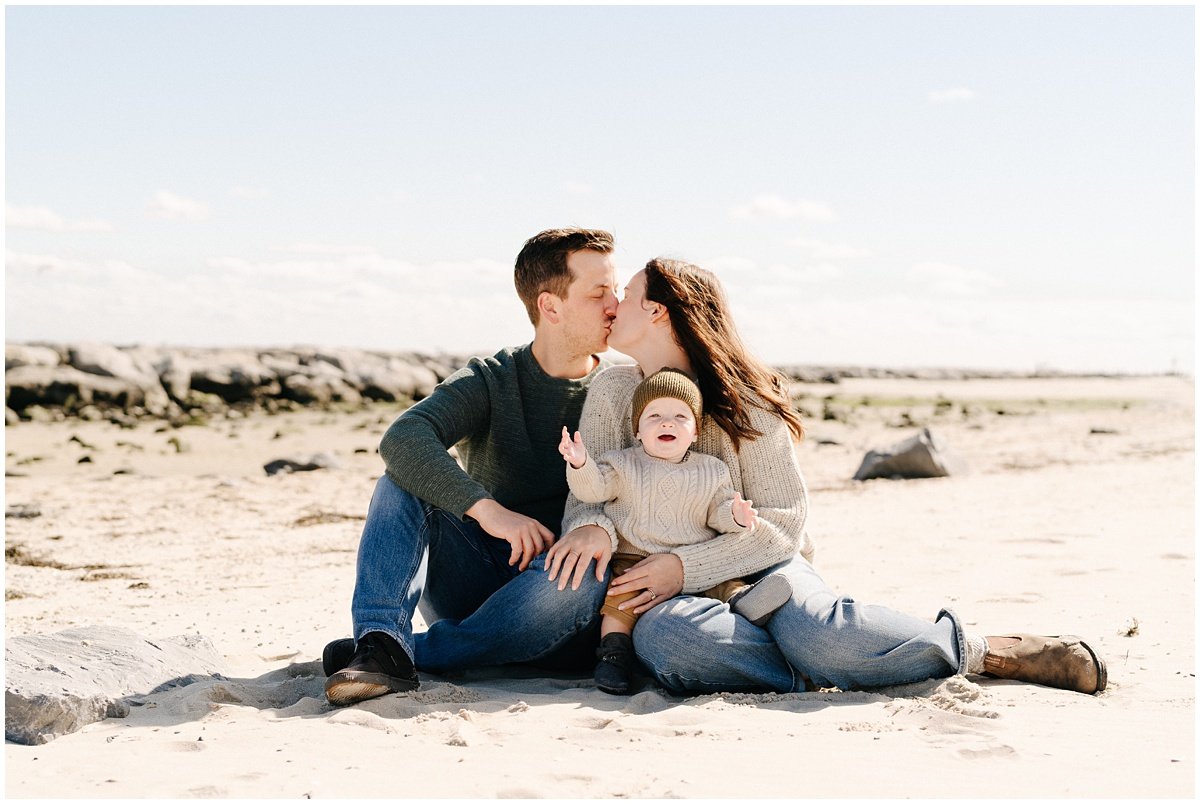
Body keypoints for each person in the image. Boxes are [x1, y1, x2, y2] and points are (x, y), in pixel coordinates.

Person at [545, 257, 1107, 697]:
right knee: (670, 641)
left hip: (759, 567)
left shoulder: (748, 404)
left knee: (819, 633)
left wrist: (685, 566)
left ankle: (988, 650)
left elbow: (783, 527)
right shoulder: (613, 390)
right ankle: (815, 670)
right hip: (660, 586)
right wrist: (599, 529)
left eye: (630, 294)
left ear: (661, 312)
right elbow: (590, 490)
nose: (615, 303)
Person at [321, 227, 622, 706]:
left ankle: (413, 652)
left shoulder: (626, 389)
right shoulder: (492, 378)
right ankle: (380, 641)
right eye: (599, 292)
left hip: (560, 597)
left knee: (585, 572)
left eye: (616, 291)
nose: (615, 305)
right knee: (400, 482)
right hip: (475, 577)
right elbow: (403, 437)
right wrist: (489, 511)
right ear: (550, 307)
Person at [558, 367, 793, 694]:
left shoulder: (712, 470)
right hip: (635, 559)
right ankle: (614, 655)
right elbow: (593, 489)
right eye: (653, 415)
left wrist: (736, 517)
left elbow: (717, 511)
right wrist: (581, 464)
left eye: (680, 416)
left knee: (726, 582)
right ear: (637, 430)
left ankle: (744, 602)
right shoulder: (622, 464)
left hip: (694, 562)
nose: (666, 422)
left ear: (695, 432)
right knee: (621, 601)